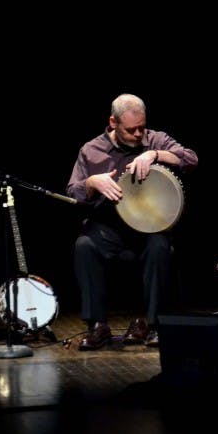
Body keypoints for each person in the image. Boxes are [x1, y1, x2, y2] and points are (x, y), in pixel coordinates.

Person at [66, 93, 198, 350]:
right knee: (84, 246)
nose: (138, 134)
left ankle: (155, 325)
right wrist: (91, 183)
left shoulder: (154, 140)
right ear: (113, 123)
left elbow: (190, 159)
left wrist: (154, 155)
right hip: (109, 228)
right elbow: (73, 193)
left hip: (149, 229)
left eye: (141, 127)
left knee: (159, 246)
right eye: (131, 130)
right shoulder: (91, 150)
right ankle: (97, 326)